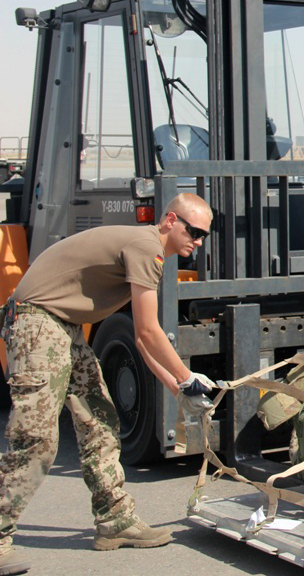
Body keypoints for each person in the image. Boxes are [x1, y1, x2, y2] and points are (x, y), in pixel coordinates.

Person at [0, 193, 217, 575]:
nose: (197, 241)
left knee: (99, 423)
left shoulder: (150, 250)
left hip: (61, 326)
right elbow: (150, 332)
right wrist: (187, 379)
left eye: (203, 235)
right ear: (170, 220)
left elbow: (139, 339)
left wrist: (176, 387)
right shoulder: (146, 246)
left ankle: (114, 520)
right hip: (37, 322)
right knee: (36, 438)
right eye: (194, 231)